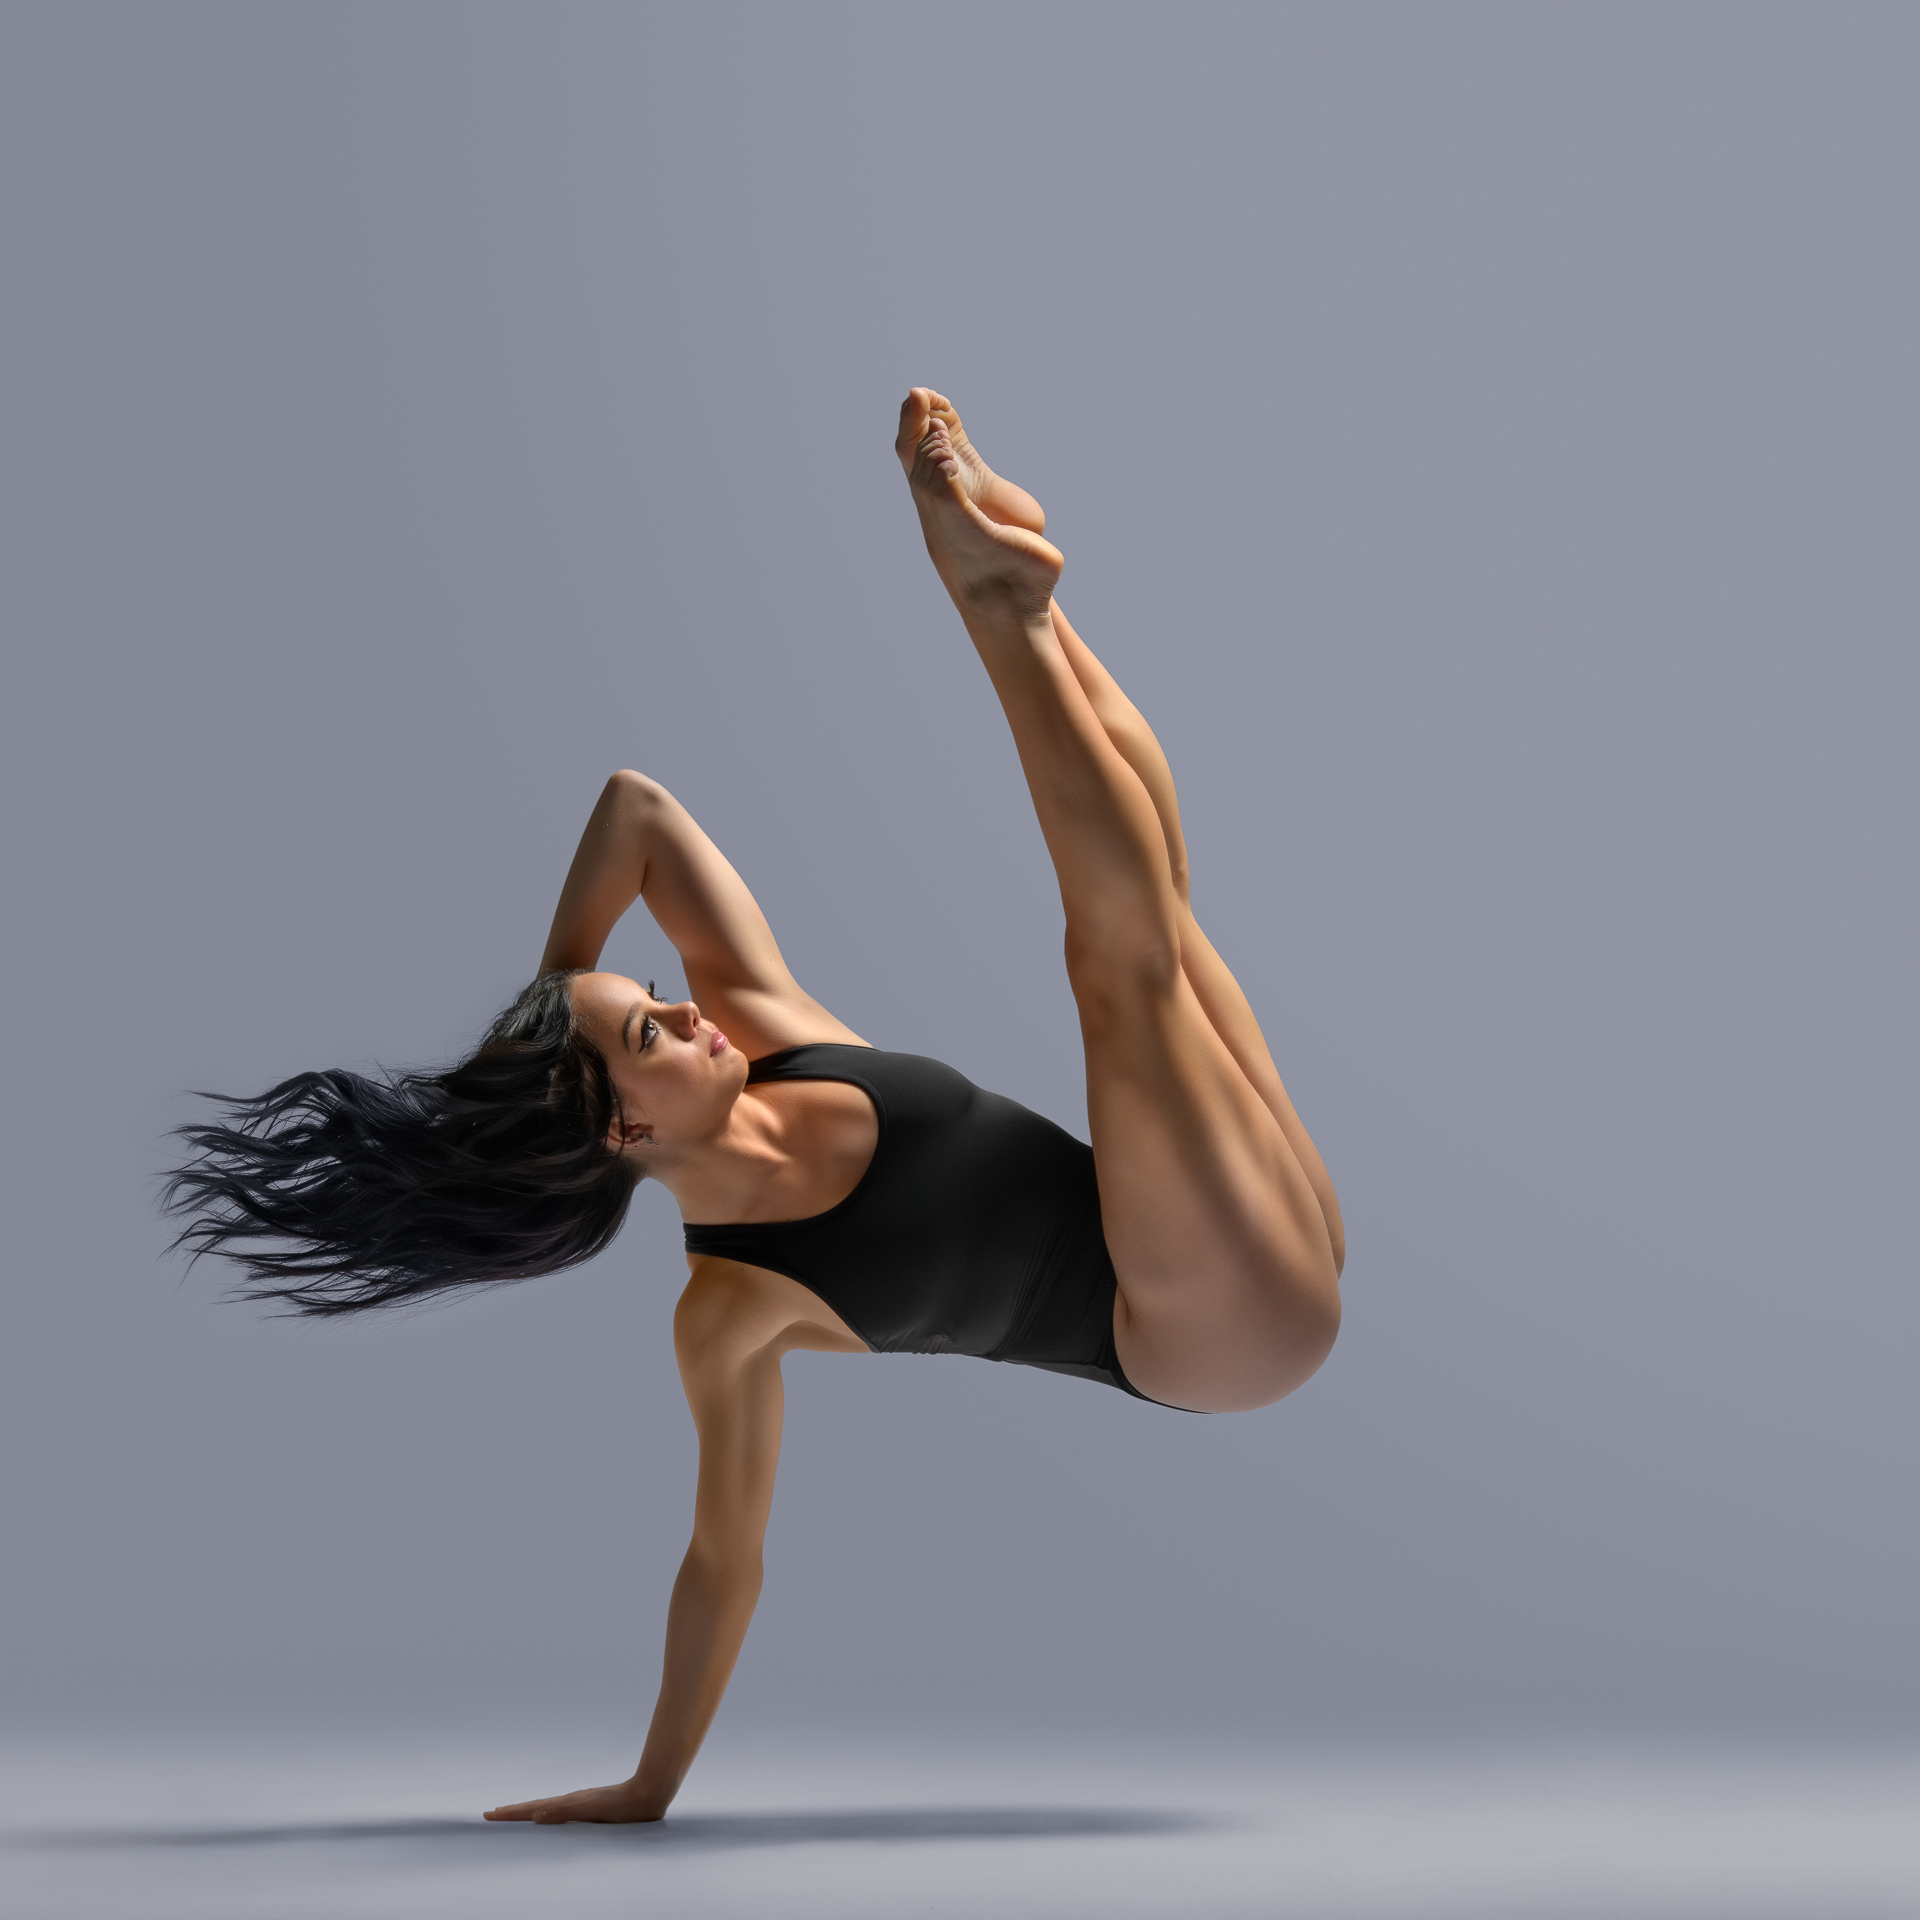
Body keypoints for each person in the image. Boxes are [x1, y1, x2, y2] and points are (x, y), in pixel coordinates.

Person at [165, 391, 1346, 1823]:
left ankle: (1021, 586)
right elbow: (723, 1559)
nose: (685, 1002)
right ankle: (1001, 603)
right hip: (1211, 1333)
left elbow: (635, 806)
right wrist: (650, 1783)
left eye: (649, 990)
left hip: (1261, 1214)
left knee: (1155, 893)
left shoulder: (775, 1033)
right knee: (1119, 962)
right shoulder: (732, 1310)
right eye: (651, 1030)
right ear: (625, 1135)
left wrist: (560, 992)